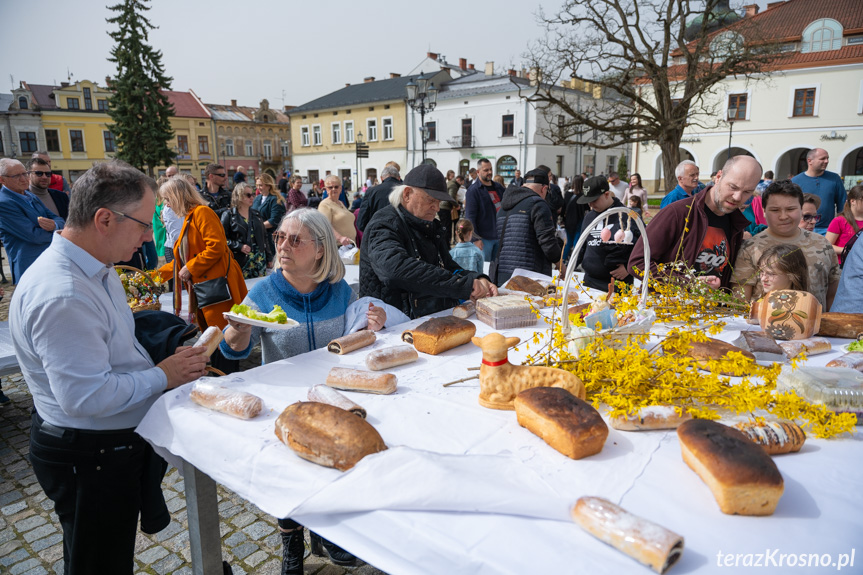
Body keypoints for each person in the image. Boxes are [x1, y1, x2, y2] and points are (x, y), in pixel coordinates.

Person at [10, 160, 210, 574]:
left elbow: (118, 345)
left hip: (98, 448)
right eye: (142, 223)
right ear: (104, 219)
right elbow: (86, 396)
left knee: (101, 556)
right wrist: (164, 375)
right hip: (89, 454)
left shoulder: (93, 271)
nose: (146, 236)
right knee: (98, 563)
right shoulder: (64, 293)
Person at [221, 210, 392, 575]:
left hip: (330, 399)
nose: (283, 245)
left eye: (294, 239)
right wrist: (237, 334)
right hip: (286, 401)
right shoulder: (264, 292)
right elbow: (232, 351)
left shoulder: (339, 290)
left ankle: (326, 533)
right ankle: (291, 543)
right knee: (288, 473)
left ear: (320, 250)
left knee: (330, 463)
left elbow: (355, 335)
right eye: (280, 237)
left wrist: (374, 322)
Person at [360, 164, 497, 318]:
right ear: (407, 194)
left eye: (439, 202)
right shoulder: (383, 223)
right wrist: (463, 285)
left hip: (426, 319)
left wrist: (476, 278)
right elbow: (395, 269)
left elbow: (448, 267)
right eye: (431, 200)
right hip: (392, 323)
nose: (437, 208)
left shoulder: (428, 225)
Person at [628, 155, 762, 290]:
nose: (738, 197)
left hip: (711, 309)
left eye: (747, 192)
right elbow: (637, 263)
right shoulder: (677, 212)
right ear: (719, 176)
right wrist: (688, 283)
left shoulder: (736, 223)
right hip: (668, 308)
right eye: (733, 187)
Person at [157, 176, 247, 373]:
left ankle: (228, 380)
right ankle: (222, 378)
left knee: (224, 341)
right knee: (215, 341)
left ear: (177, 196)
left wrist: (191, 268)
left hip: (218, 290)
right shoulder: (191, 216)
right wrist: (153, 277)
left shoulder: (202, 213)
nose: (166, 204)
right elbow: (179, 262)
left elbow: (216, 247)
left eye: (167, 198)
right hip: (208, 291)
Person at [731, 179, 840, 310]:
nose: (783, 216)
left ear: (801, 209)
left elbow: (832, 294)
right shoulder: (751, 248)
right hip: (763, 328)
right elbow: (740, 302)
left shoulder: (822, 244)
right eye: (775, 210)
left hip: (815, 328)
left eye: (790, 209)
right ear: (764, 211)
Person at [0, 158, 66, 282]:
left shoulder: (29, 195)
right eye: (16, 176)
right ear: (2, 180)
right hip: (29, 268)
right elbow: (35, 236)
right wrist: (62, 234)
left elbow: (58, 219)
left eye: (25, 174)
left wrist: (55, 225)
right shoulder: (4, 203)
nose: (24, 179)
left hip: (49, 263)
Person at [493, 168, 562, 284]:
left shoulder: (503, 206)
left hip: (502, 274)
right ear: (544, 188)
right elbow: (548, 242)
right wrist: (561, 266)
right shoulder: (538, 204)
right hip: (529, 277)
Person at [576, 176, 640, 292]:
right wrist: (569, 266)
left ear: (606, 194)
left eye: (594, 200)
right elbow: (582, 246)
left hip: (616, 284)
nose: (590, 205)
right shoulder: (589, 217)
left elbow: (644, 246)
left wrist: (628, 267)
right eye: (588, 201)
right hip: (590, 281)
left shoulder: (627, 216)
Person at [221, 182, 271, 279]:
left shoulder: (256, 214)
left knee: (260, 288)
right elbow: (221, 239)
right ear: (239, 196)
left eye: (252, 194)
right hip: (241, 259)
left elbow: (264, 237)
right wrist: (239, 246)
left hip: (259, 259)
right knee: (243, 290)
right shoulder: (229, 215)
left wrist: (269, 257)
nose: (252, 197)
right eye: (248, 195)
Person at [792, 149, 846, 235]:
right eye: (822, 158)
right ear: (809, 161)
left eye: (827, 158)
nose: (826, 161)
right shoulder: (795, 181)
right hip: (802, 228)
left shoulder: (834, 179)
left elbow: (842, 204)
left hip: (828, 230)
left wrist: (840, 226)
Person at [464, 158, 504, 262]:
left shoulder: (499, 187)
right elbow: (470, 217)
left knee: (497, 270)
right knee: (485, 270)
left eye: (490, 169)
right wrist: (476, 239)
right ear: (478, 172)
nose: (489, 172)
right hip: (484, 239)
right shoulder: (473, 191)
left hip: (500, 237)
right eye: (486, 170)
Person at [252, 173, 286, 265]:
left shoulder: (275, 199)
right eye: (257, 185)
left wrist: (256, 227)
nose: (258, 187)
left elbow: (273, 221)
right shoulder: (257, 198)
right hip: (257, 237)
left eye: (261, 185)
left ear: (268, 185)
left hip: (271, 238)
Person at [825, 185, 863, 264]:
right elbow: (827, 245)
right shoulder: (839, 221)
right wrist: (847, 250)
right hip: (842, 264)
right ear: (852, 201)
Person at [358, 162, 401, 231]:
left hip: (378, 232)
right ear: (399, 178)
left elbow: (361, 222)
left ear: (381, 178)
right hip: (402, 233)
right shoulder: (406, 190)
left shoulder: (371, 191)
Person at [319, 175, 357, 246]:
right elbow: (325, 225)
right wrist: (339, 237)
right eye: (330, 187)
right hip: (337, 246)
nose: (333, 189)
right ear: (326, 190)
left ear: (340, 189)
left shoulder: (340, 203)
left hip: (350, 244)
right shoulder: (324, 204)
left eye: (336, 187)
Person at [562, 175, 588, 263]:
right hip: (579, 220)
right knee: (576, 242)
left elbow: (563, 208)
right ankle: (574, 262)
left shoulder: (567, 194)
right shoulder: (583, 195)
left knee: (568, 242)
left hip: (568, 221)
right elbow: (586, 208)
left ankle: (563, 260)